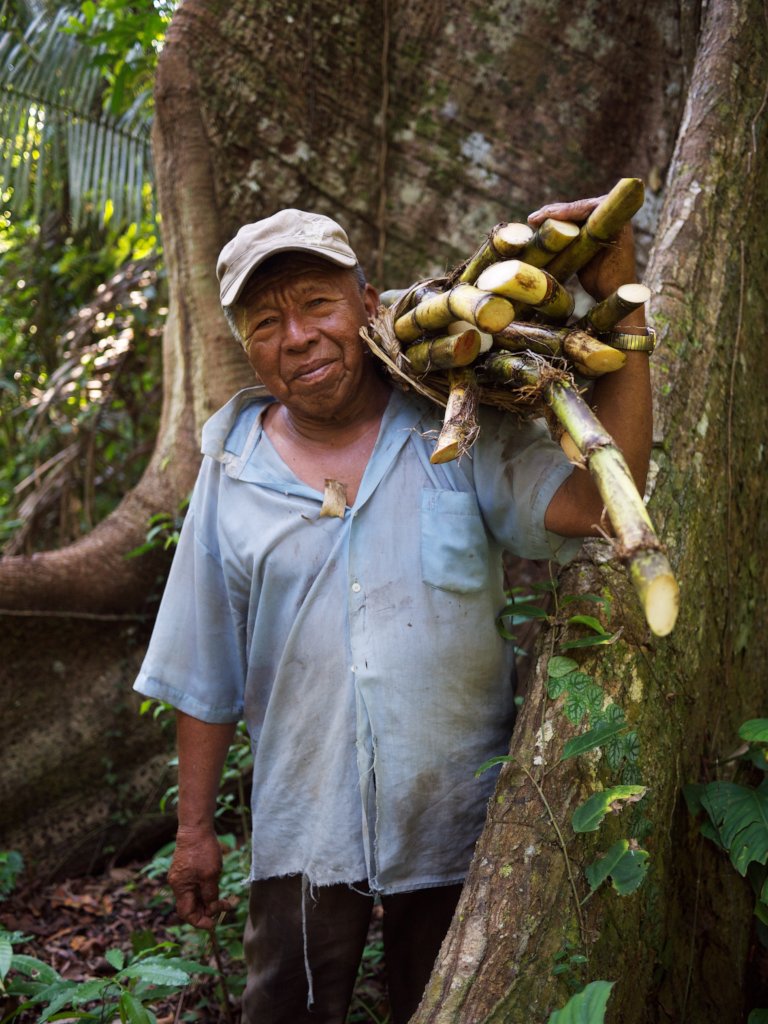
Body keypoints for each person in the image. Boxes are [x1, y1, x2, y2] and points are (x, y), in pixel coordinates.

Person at [134, 201, 652, 1024]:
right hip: (304, 825)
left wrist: (621, 293)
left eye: (316, 304)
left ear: (368, 304)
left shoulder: (456, 425)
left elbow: (599, 500)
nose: (297, 336)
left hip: (458, 820)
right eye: (266, 322)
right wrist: (194, 829)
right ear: (245, 347)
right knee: (287, 1008)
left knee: (450, 1005)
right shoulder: (230, 472)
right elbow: (204, 665)